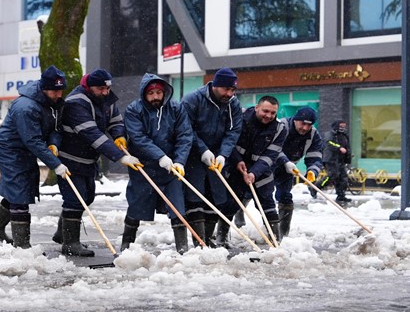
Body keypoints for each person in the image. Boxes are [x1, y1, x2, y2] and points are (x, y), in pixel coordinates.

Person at [54, 68, 142, 257]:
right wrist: (120, 157)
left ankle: (62, 233)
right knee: (75, 199)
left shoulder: (105, 98)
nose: (105, 92)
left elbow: (116, 121)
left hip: (88, 160)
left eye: (107, 88)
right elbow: (92, 134)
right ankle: (70, 243)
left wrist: (119, 136)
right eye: (101, 89)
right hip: (70, 159)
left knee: (87, 198)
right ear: (89, 87)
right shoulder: (75, 103)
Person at [0, 65, 70, 248]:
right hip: (11, 149)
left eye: (61, 91)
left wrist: (53, 144)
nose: (59, 95)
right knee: (20, 192)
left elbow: (55, 128)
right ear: (44, 88)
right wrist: (55, 164)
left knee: (22, 186)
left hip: (27, 148)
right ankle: (22, 245)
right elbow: (32, 139)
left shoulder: (53, 103)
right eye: (55, 91)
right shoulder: (25, 107)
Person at [121, 74, 193, 254]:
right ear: (144, 94)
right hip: (144, 166)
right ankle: (126, 244)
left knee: (177, 205)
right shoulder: (134, 109)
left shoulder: (176, 108)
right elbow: (138, 138)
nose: (155, 96)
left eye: (159, 92)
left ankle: (182, 247)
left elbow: (184, 136)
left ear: (165, 93)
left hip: (171, 169)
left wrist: (179, 161)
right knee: (137, 204)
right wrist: (160, 156)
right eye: (151, 93)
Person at [181, 68, 243, 247]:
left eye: (233, 90)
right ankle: (199, 241)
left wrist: (224, 154)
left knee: (216, 197)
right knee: (195, 196)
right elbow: (186, 129)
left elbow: (233, 131)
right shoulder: (193, 100)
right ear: (215, 85)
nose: (229, 94)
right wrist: (202, 150)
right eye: (226, 89)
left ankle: (207, 238)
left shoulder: (233, 103)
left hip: (217, 156)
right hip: (193, 154)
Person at [218, 95, 287, 246]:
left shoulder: (280, 128)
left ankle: (276, 239)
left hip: (262, 170)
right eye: (265, 111)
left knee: (267, 202)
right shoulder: (240, 118)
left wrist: (254, 172)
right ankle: (221, 238)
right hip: (236, 167)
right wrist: (237, 161)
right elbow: (229, 141)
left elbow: (271, 155)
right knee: (232, 202)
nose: (269, 116)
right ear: (257, 107)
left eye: (273, 113)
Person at [273, 106, 323, 237]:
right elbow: (273, 147)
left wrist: (313, 170)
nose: (306, 128)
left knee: (285, 197)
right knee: (258, 195)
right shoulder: (281, 126)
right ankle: (241, 217)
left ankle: (282, 234)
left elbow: (315, 155)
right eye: (303, 123)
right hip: (267, 164)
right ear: (295, 120)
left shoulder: (313, 134)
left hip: (289, 169)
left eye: (309, 124)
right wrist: (284, 161)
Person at [315, 119, 352, 204]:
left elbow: (347, 147)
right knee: (332, 175)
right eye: (341, 126)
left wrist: (348, 156)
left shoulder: (344, 135)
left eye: (344, 126)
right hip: (331, 159)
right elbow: (329, 143)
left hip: (341, 160)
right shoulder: (330, 134)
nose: (342, 128)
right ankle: (316, 187)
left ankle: (341, 195)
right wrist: (339, 148)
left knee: (343, 178)